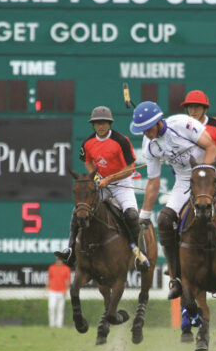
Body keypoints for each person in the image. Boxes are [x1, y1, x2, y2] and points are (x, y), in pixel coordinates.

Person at [130, 101, 216, 300]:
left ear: (158, 122)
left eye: (148, 129)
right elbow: (153, 182)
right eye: (142, 131)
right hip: (184, 180)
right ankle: (176, 277)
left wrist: (202, 175)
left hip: (210, 173)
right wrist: (145, 215)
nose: (146, 134)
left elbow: (211, 147)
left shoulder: (182, 124)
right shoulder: (150, 146)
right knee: (164, 220)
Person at [54, 106, 149, 271]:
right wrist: (96, 176)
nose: (101, 126)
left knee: (132, 215)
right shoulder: (88, 143)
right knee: (78, 211)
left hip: (122, 184)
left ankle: (141, 256)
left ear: (110, 123)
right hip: (100, 184)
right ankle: (70, 251)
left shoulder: (121, 140)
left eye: (104, 122)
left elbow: (130, 169)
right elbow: (88, 162)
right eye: (97, 123)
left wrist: (109, 179)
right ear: (93, 124)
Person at [46, 256, 71, 328]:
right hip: (53, 291)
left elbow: (67, 281)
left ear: (62, 261)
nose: (58, 261)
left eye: (60, 260)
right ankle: (52, 324)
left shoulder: (66, 269)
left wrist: (66, 290)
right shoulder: (51, 268)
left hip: (62, 291)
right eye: (57, 260)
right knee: (51, 307)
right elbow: (49, 279)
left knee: (60, 309)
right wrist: (46, 288)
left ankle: (59, 325)